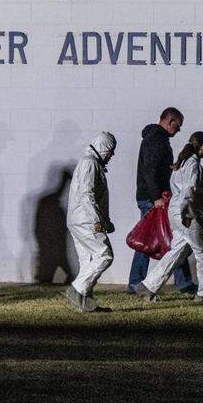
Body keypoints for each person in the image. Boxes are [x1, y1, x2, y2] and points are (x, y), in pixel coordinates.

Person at [135, 131, 203, 305]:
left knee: (177, 251)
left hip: (176, 212)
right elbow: (189, 191)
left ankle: (147, 286)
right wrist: (186, 213)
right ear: (201, 147)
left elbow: (190, 192)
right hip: (187, 214)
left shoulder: (183, 162)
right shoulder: (192, 164)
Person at [128, 107, 197, 294]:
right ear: (169, 121)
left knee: (168, 238)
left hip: (155, 198)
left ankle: (180, 282)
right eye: (178, 126)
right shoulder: (155, 139)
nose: (179, 130)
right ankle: (137, 282)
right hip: (153, 200)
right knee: (157, 240)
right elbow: (149, 171)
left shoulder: (157, 138)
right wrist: (157, 197)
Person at [64, 132, 117, 313]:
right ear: (104, 149)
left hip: (80, 219)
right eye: (111, 151)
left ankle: (85, 303)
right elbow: (88, 195)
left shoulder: (91, 163)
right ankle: (77, 290)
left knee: (88, 261)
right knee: (104, 255)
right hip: (86, 220)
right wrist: (97, 221)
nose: (112, 155)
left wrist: (106, 221)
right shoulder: (90, 163)